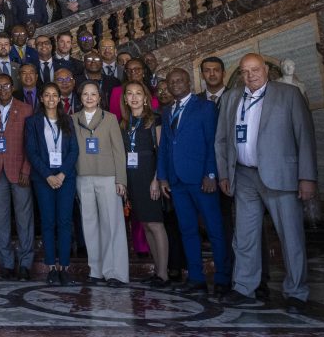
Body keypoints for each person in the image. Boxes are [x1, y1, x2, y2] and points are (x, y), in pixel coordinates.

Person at [216, 54, 316, 313]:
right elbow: (223, 140)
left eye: (255, 69)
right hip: (244, 175)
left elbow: (305, 135)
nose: (251, 75)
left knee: (290, 236)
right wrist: (225, 174)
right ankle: (243, 287)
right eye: (245, 71)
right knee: (245, 236)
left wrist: (307, 176)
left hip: (281, 175)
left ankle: (296, 292)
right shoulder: (230, 98)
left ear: (266, 70)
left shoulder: (289, 94)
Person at [158, 68, 230, 295]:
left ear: (189, 82)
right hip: (177, 181)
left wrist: (210, 174)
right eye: (171, 82)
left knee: (215, 229)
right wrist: (162, 176)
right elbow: (165, 147)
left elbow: (213, 143)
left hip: (201, 179)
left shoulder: (205, 107)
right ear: (167, 86)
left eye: (180, 80)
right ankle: (196, 278)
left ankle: (222, 278)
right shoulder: (167, 111)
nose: (176, 84)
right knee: (187, 229)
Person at [73, 80, 129, 286]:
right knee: (89, 226)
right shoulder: (72, 119)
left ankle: (115, 272)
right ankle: (95, 270)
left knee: (111, 225)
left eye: (93, 94)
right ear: (80, 97)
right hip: (83, 177)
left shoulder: (110, 119)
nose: (89, 98)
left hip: (108, 177)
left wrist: (121, 179)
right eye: (85, 94)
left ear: (99, 97)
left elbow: (119, 151)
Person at [0, 73, 35, 280]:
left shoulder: (25, 109)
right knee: (0, 219)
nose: (2, 89)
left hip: (19, 171)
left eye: (6, 86)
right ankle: (6, 263)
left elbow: (31, 144)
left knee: (24, 219)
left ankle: (25, 263)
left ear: (13, 87)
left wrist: (26, 170)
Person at [25, 82, 78, 285]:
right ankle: (51, 268)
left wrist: (63, 174)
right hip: (43, 178)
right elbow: (31, 151)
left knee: (64, 222)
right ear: (41, 98)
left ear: (59, 98)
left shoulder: (68, 121)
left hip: (66, 178)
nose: (50, 99)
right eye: (46, 95)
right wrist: (48, 175)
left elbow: (74, 151)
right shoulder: (33, 122)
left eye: (54, 95)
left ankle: (64, 267)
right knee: (48, 222)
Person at [119, 82, 169, 288]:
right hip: (133, 179)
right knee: (146, 225)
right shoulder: (124, 123)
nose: (134, 97)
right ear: (125, 99)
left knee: (156, 225)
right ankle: (157, 271)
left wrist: (157, 179)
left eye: (138, 93)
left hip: (150, 178)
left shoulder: (154, 120)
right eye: (129, 94)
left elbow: (162, 152)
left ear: (146, 98)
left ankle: (164, 274)